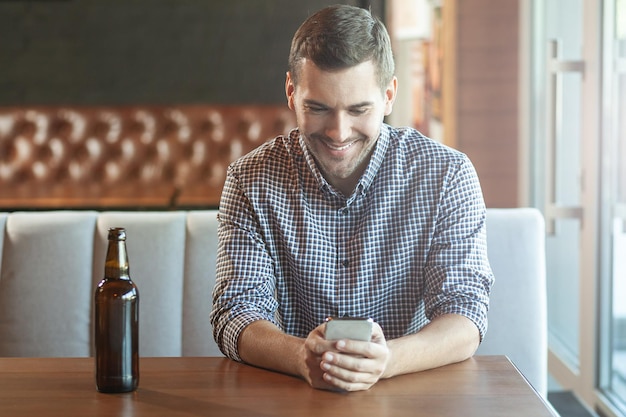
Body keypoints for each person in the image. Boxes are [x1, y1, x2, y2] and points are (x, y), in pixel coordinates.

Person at [210, 4, 494, 392]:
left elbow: (465, 314)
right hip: (296, 396)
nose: (339, 133)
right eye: (318, 108)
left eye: (359, 109)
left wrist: (388, 360)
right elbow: (235, 312)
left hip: (410, 393)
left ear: (389, 94)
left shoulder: (447, 176)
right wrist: (299, 357)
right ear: (292, 92)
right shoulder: (250, 180)